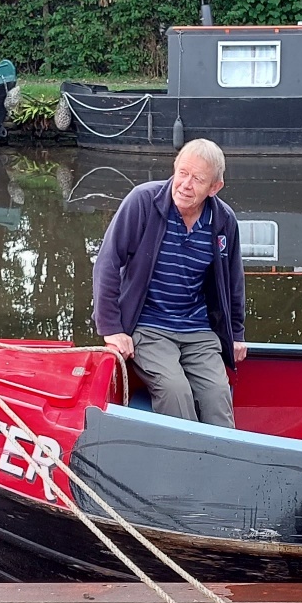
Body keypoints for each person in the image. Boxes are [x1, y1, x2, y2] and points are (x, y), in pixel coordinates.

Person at [93, 139, 248, 426]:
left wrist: (236, 333)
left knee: (217, 393)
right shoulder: (142, 202)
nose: (185, 185)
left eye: (197, 179)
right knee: (174, 390)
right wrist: (112, 329)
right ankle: (185, 453)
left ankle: (221, 452)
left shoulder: (224, 221)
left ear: (214, 187)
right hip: (149, 326)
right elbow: (108, 262)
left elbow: (233, 281)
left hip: (198, 328)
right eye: (182, 173)